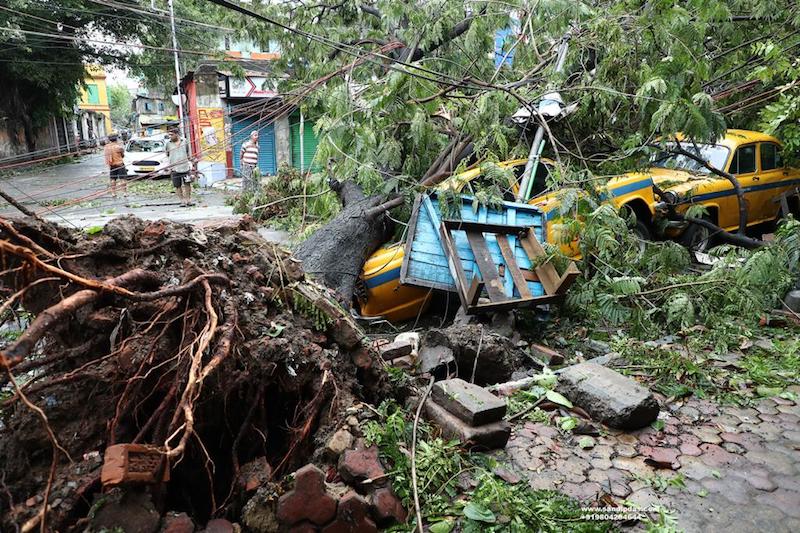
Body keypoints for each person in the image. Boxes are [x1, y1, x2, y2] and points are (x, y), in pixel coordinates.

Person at [166, 128, 194, 207]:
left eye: (172, 135)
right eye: (169, 135)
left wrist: (191, 163)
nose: (170, 136)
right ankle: (182, 200)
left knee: (187, 184)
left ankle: (188, 200)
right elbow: (167, 154)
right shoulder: (168, 144)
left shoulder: (184, 141)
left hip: (185, 167)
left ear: (177, 134)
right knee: (177, 185)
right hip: (174, 168)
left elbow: (188, 153)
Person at [104, 133, 127, 198]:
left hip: (112, 165)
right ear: (116, 139)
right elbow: (122, 156)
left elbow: (106, 157)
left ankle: (113, 193)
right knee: (123, 179)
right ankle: (124, 193)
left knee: (113, 179)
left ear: (109, 140)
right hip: (120, 164)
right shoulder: (118, 147)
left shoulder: (106, 147)